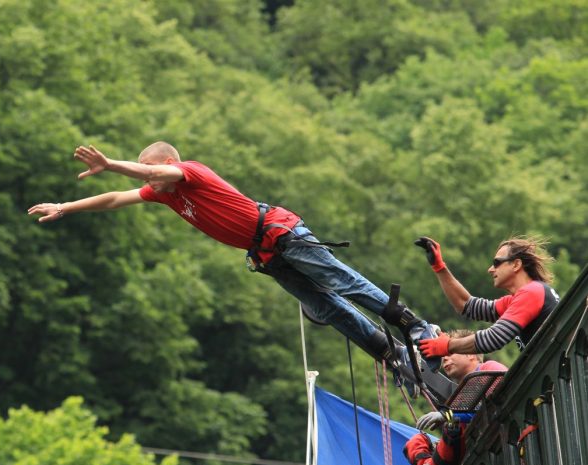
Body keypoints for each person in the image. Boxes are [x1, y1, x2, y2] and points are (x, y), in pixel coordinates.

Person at [28, 142, 441, 380]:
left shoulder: (188, 172)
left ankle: (417, 328)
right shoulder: (162, 194)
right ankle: (390, 353)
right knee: (324, 307)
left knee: (342, 283)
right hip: (267, 255)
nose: (146, 180)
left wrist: (112, 164)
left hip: (282, 234)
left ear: (167, 165)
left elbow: (136, 177)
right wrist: (66, 206)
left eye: (149, 171)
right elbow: (116, 198)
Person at [415, 236, 560, 361]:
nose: (490, 269)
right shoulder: (519, 298)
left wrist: (447, 346)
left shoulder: (532, 292)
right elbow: (467, 305)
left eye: (497, 263)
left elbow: (493, 339)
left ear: (516, 264)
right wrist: (439, 267)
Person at [404, 330, 507, 465]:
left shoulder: (489, 368)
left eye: (450, 352)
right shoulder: (456, 405)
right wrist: (418, 449)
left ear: (470, 353)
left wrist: (447, 415)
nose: (444, 359)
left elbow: (491, 405)